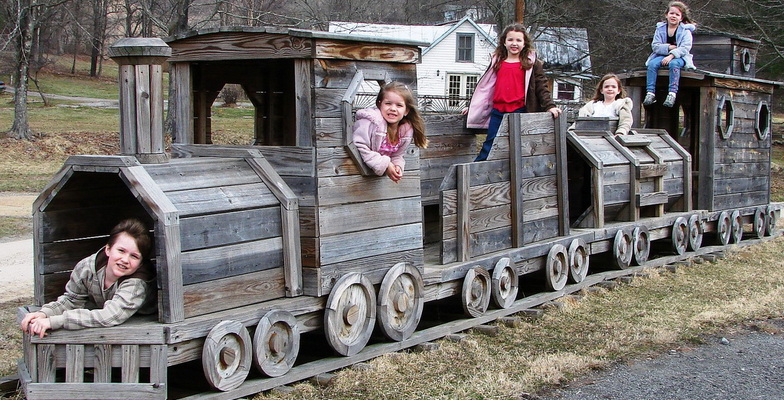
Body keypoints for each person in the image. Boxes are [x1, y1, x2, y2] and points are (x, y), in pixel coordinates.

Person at [20, 219, 156, 338]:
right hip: (108, 312)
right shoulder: (87, 268)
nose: (125, 259)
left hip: (146, 319)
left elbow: (109, 316)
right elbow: (71, 300)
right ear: (108, 250)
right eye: (121, 251)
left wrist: (55, 321)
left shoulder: (137, 284)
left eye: (134, 256)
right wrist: (44, 313)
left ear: (141, 263)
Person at [464, 23, 561, 161]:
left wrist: (550, 106)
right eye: (510, 40)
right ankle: (476, 177)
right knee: (489, 147)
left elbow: (542, 87)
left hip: (519, 112)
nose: (514, 43)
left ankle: (515, 179)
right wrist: (473, 107)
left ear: (524, 43)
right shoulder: (497, 61)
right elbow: (485, 88)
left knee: (517, 149)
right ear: (504, 42)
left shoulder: (531, 63)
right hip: (498, 112)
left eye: (518, 40)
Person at [353, 81, 428, 183]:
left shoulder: (404, 131)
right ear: (380, 104)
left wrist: (397, 166)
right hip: (354, 176)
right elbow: (359, 145)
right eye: (388, 103)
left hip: (376, 183)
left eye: (399, 105)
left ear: (406, 111)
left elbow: (397, 155)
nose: (393, 108)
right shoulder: (370, 122)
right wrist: (386, 164)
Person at [643, 1, 697, 108]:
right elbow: (655, 46)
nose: (674, 16)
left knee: (674, 64)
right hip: (661, 55)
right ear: (666, 15)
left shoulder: (685, 31)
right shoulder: (660, 29)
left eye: (677, 15)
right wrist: (669, 47)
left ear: (681, 18)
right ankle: (650, 93)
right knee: (652, 64)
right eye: (671, 13)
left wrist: (671, 55)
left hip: (680, 57)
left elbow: (685, 48)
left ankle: (672, 93)